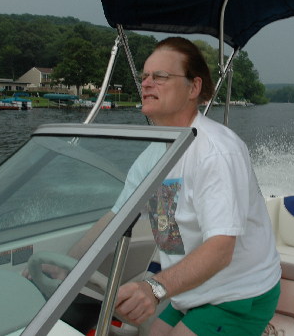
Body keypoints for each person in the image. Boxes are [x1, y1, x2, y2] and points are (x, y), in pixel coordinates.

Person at [113, 37, 281, 335]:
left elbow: (220, 250)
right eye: (144, 76)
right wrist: (71, 267)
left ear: (193, 88)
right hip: (191, 291)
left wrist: (154, 288)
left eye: (160, 76)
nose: (147, 83)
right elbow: (116, 222)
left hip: (239, 293)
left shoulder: (216, 152)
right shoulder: (152, 157)